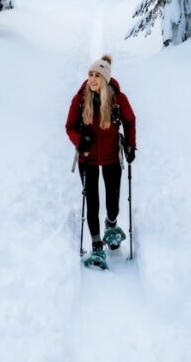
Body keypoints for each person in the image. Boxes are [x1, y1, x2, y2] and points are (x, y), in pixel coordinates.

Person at [66, 54, 137, 267]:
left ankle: (111, 225)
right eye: (90, 74)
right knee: (93, 202)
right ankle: (97, 246)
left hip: (111, 157)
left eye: (97, 75)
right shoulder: (79, 99)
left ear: (105, 79)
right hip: (87, 159)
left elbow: (130, 121)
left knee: (113, 203)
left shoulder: (118, 99)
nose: (93, 79)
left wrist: (131, 145)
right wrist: (80, 140)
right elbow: (69, 127)